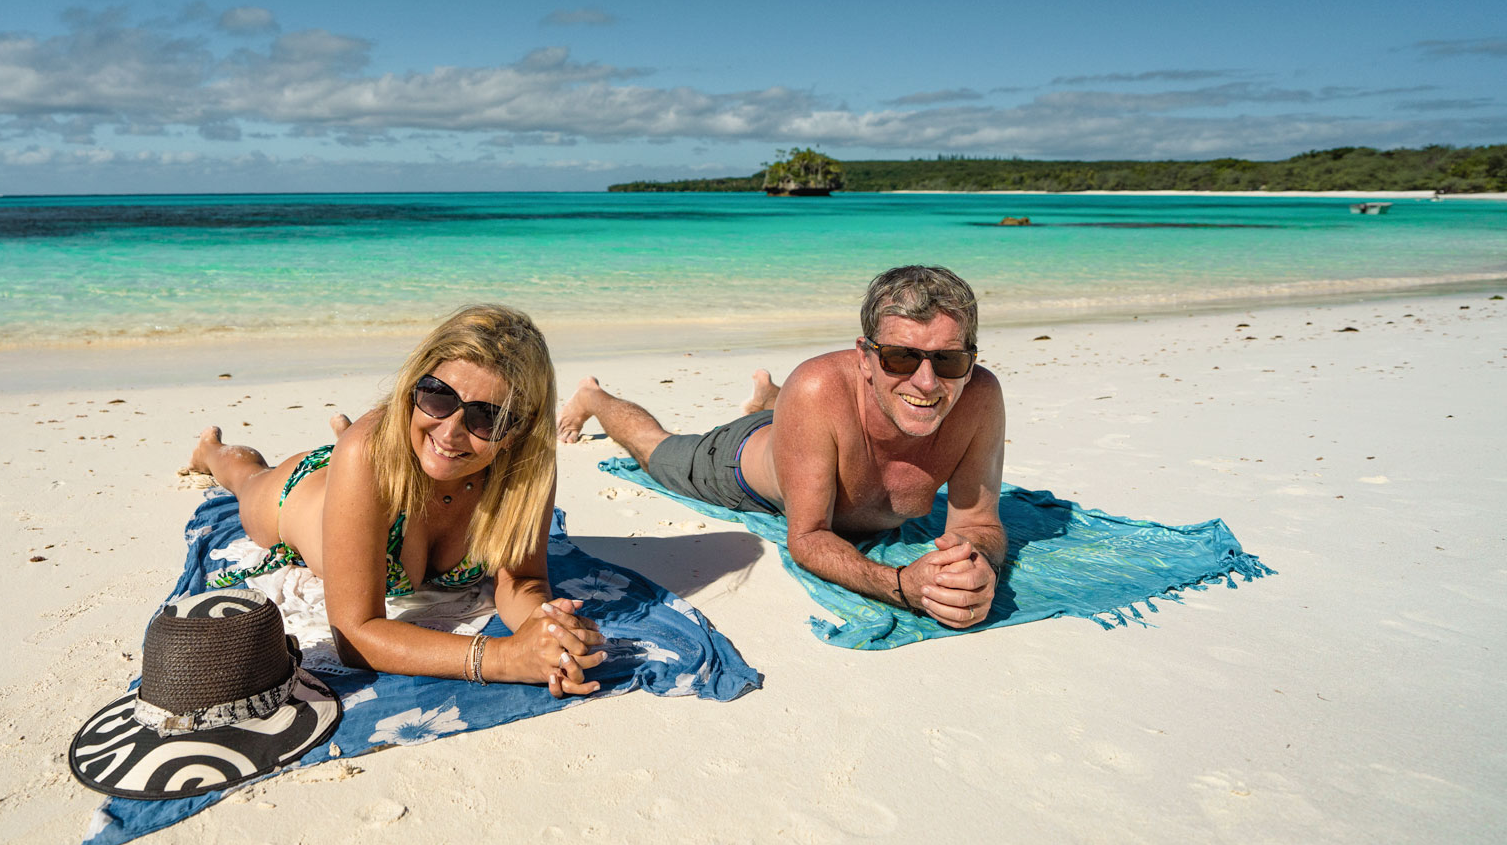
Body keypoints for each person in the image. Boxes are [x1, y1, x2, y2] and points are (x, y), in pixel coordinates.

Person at [189, 303, 608, 695]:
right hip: (299, 498)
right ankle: (210, 450)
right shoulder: (367, 455)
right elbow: (355, 633)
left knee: (384, 454)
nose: (450, 432)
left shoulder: (525, 466)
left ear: (518, 429)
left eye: (486, 418)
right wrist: (501, 657)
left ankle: (353, 444)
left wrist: (549, 629)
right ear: (413, 387)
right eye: (437, 398)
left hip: (377, 463)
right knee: (248, 477)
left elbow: (522, 580)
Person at [556, 265, 1005, 629]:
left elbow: (979, 522)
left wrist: (974, 567)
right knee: (656, 449)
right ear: (865, 358)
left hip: (804, 425)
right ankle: (594, 397)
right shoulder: (817, 388)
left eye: (948, 359)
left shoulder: (979, 396)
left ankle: (771, 398)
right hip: (735, 463)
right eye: (900, 358)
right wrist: (903, 586)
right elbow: (808, 536)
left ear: (970, 361)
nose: (926, 383)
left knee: (804, 411)